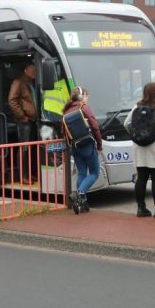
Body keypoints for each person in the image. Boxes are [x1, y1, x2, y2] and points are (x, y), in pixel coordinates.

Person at [125, 82, 155, 218]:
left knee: (141, 178)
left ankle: (141, 209)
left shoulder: (137, 106)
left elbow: (126, 123)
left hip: (140, 148)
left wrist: (135, 135)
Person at [62, 86, 102, 214]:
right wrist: (99, 144)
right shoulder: (83, 107)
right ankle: (79, 193)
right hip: (87, 145)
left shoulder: (66, 111)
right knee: (95, 172)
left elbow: (63, 132)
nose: (87, 98)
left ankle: (82, 204)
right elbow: (95, 126)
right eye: (86, 96)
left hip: (75, 147)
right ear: (81, 96)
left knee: (82, 173)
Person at [8, 61, 38, 183]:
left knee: (31, 148)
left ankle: (30, 174)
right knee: (23, 148)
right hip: (24, 121)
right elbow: (12, 100)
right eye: (32, 68)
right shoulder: (19, 82)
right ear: (25, 70)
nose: (34, 71)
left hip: (32, 120)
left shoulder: (31, 83)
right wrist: (22, 116)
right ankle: (23, 176)